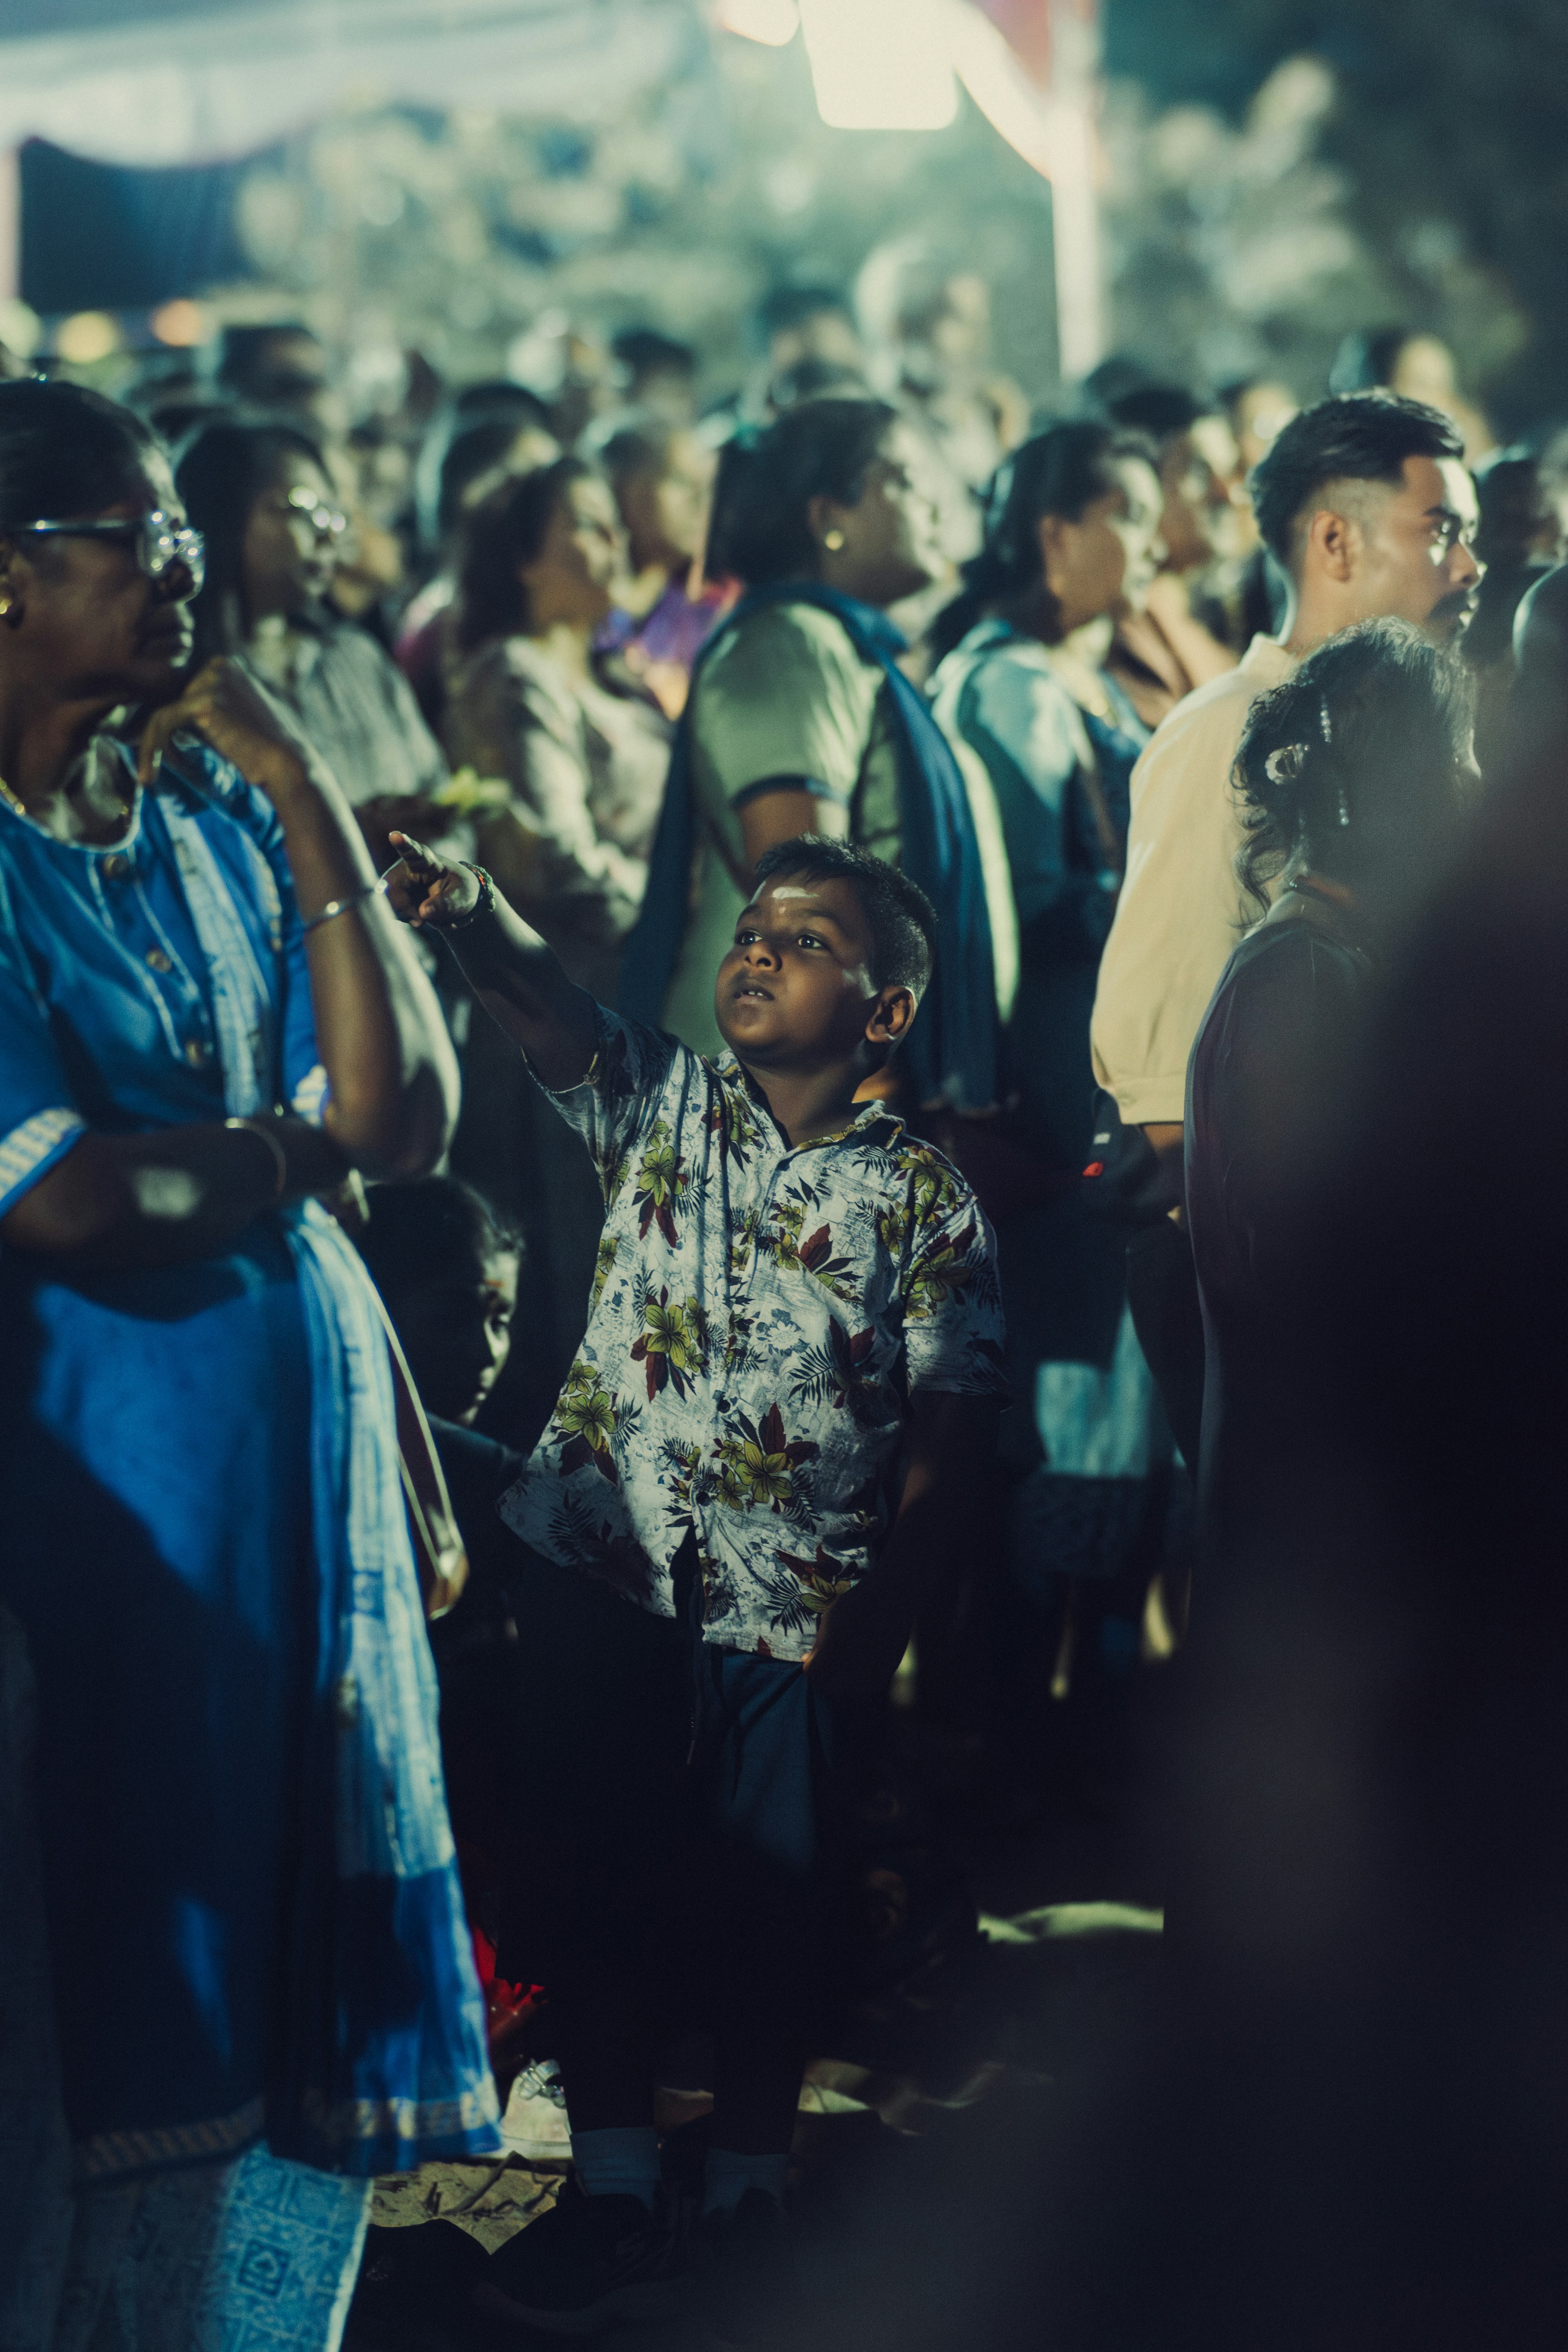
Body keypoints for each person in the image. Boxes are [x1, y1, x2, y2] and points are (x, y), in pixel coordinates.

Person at [0, 378, 494, 2350]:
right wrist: (295, 1162)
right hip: (91, 1537)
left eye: (183, 534)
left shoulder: (206, 812)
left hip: (290, 1526)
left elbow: (413, 1111)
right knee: (99, 1981)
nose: (183, 568)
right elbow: (63, 1209)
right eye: (139, 536)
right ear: (9, 579)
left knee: (275, 1961)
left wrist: (300, 796)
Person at [379, 823, 1005, 2334]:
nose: (757, 946)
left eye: (804, 937)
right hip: (604, 1578)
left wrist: (886, 1620)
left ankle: (742, 2186)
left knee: (767, 1909)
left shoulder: (925, 1204)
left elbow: (951, 1439)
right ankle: (604, 2184)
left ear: (886, 1011)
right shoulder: (655, 1103)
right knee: (595, 1885)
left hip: (794, 1617)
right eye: (750, 925)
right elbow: (537, 998)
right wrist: (470, 908)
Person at [1089, 389, 1482, 1468]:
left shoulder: (1411, 755)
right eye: (1440, 530)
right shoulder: (1223, 734)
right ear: (1335, 540)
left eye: (1473, 538)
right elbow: (1162, 1087)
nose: (1469, 568)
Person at [928, 424, 1171, 1616]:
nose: (1153, 539)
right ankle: (1032, 1710)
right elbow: (1024, 898)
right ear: (1055, 533)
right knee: (1067, 1381)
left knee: (1108, 1374)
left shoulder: (1074, 673)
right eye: (1128, 510)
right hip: (1054, 1080)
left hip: (1096, 1070)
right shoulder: (1008, 684)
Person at [620, 397, 1012, 1120]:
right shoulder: (791, 648)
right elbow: (798, 900)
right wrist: (857, 1090)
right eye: (901, 479)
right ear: (828, 516)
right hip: (786, 1110)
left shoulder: (847, 648)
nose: (931, 504)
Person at [1185, 618, 1474, 1572]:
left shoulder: (1335, 960)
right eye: (1454, 758)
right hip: (1313, 1512)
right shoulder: (1301, 977)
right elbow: (1300, 1266)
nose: (1472, 786)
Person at [443, 456, 671, 1399]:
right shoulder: (515, 674)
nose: (613, 543)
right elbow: (547, 859)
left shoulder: (615, 678)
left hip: (636, 1002)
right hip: (572, 1009)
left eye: (615, 521)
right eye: (585, 524)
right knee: (594, 1277)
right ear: (525, 560)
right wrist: (682, 905)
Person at [175, 414, 455, 876]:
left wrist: (429, 844)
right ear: (222, 514)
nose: (328, 535)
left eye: (333, 514)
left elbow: (438, 789)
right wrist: (345, 840)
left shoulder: (357, 659)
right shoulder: (191, 692)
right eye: (301, 508)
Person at [1103, 384, 1242, 724]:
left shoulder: (1201, 613)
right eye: (1198, 472)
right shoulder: (1126, 633)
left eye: (1229, 472)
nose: (1228, 496)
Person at [595, 411, 729, 717]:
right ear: (622, 488)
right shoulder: (584, 609)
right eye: (681, 481)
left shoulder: (707, 614)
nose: (700, 502)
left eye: (707, 487)